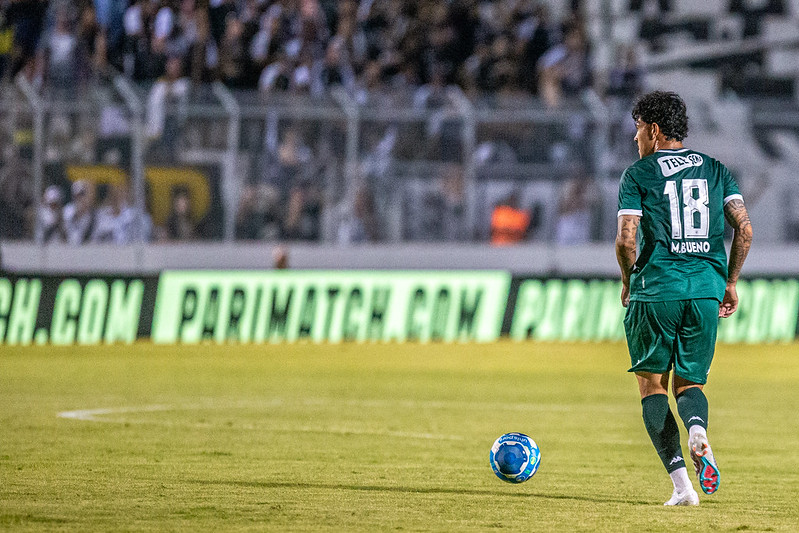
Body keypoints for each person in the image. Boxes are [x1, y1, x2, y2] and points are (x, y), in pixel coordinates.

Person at [615, 91, 753, 506]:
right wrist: (729, 283)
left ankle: (682, 488)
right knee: (690, 382)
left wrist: (627, 279)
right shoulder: (716, 170)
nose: (635, 138)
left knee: (652, 386)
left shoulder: (638, 174)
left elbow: (626, 240)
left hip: (657, 290)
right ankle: (697, 430)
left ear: (654, 130)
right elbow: (745, 231)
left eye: (638, 128)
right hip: (706, 291)